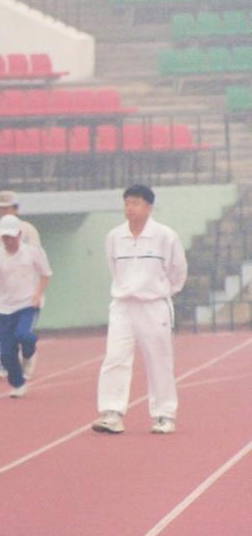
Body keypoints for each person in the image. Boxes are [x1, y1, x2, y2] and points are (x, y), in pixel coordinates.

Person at [92, 184, 187, 435]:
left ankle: (164, 415)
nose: (129, 208)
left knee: (159, 360)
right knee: (115, 357)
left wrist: (161, 292)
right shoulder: (114, 236)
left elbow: (178, 272)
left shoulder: (166, 236)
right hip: (122, 305)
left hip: (154, 306)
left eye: (135, 203)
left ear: (149, 207)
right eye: (126, 203)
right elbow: (114, 269)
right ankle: (111, 413)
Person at [0, 215, 52, 398]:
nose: (8, 240)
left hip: (28, 304)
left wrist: (37, 294)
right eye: (4, 237)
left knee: (24, 335)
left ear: (19, 234)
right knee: (6, 355)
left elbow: (45, 274)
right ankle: (18, 383)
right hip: (3, 309)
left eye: (11, 236)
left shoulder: (33, 252)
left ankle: (28, 353)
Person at [0, 191, 42, 380]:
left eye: (7, 208)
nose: (3, 211)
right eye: (0, 208)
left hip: (22, 285)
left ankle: (24, 356)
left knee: (20, 329)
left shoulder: (28, 229)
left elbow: (37, 256)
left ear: (16, 209)